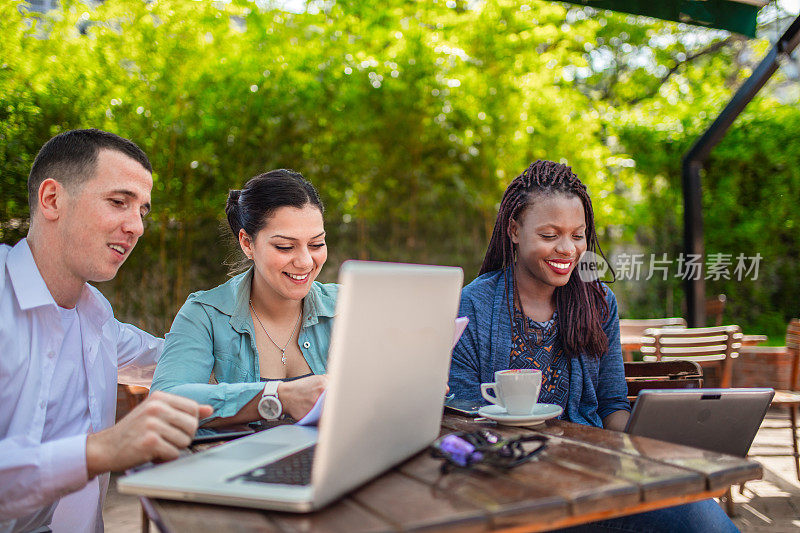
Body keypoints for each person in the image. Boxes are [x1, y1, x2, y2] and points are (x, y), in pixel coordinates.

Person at [448, 160, 737, 532]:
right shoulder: (474, 305)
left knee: (708, 524)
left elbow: (610, 405)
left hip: (594, 479)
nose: (567, 249)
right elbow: (461, 413)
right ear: (514, 230)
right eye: (550, 235)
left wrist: (652, 442)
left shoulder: (598, 302)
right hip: (507, 486)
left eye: (578, 235)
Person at [0, 129, 213, 533]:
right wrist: (102, 450)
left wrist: (283, 382)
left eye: (143, 212)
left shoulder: (95, 316)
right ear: (52, 200)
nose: (137, 227)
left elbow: (169, 356)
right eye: (119, 202)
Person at [150, 169, 333, 426]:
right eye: (285, 246)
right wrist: (276, 396)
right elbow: (165, 402)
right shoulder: (205, 314)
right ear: (247, 243)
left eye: (316, 244)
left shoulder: (348, 307)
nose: (305, 261)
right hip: (244, 462)